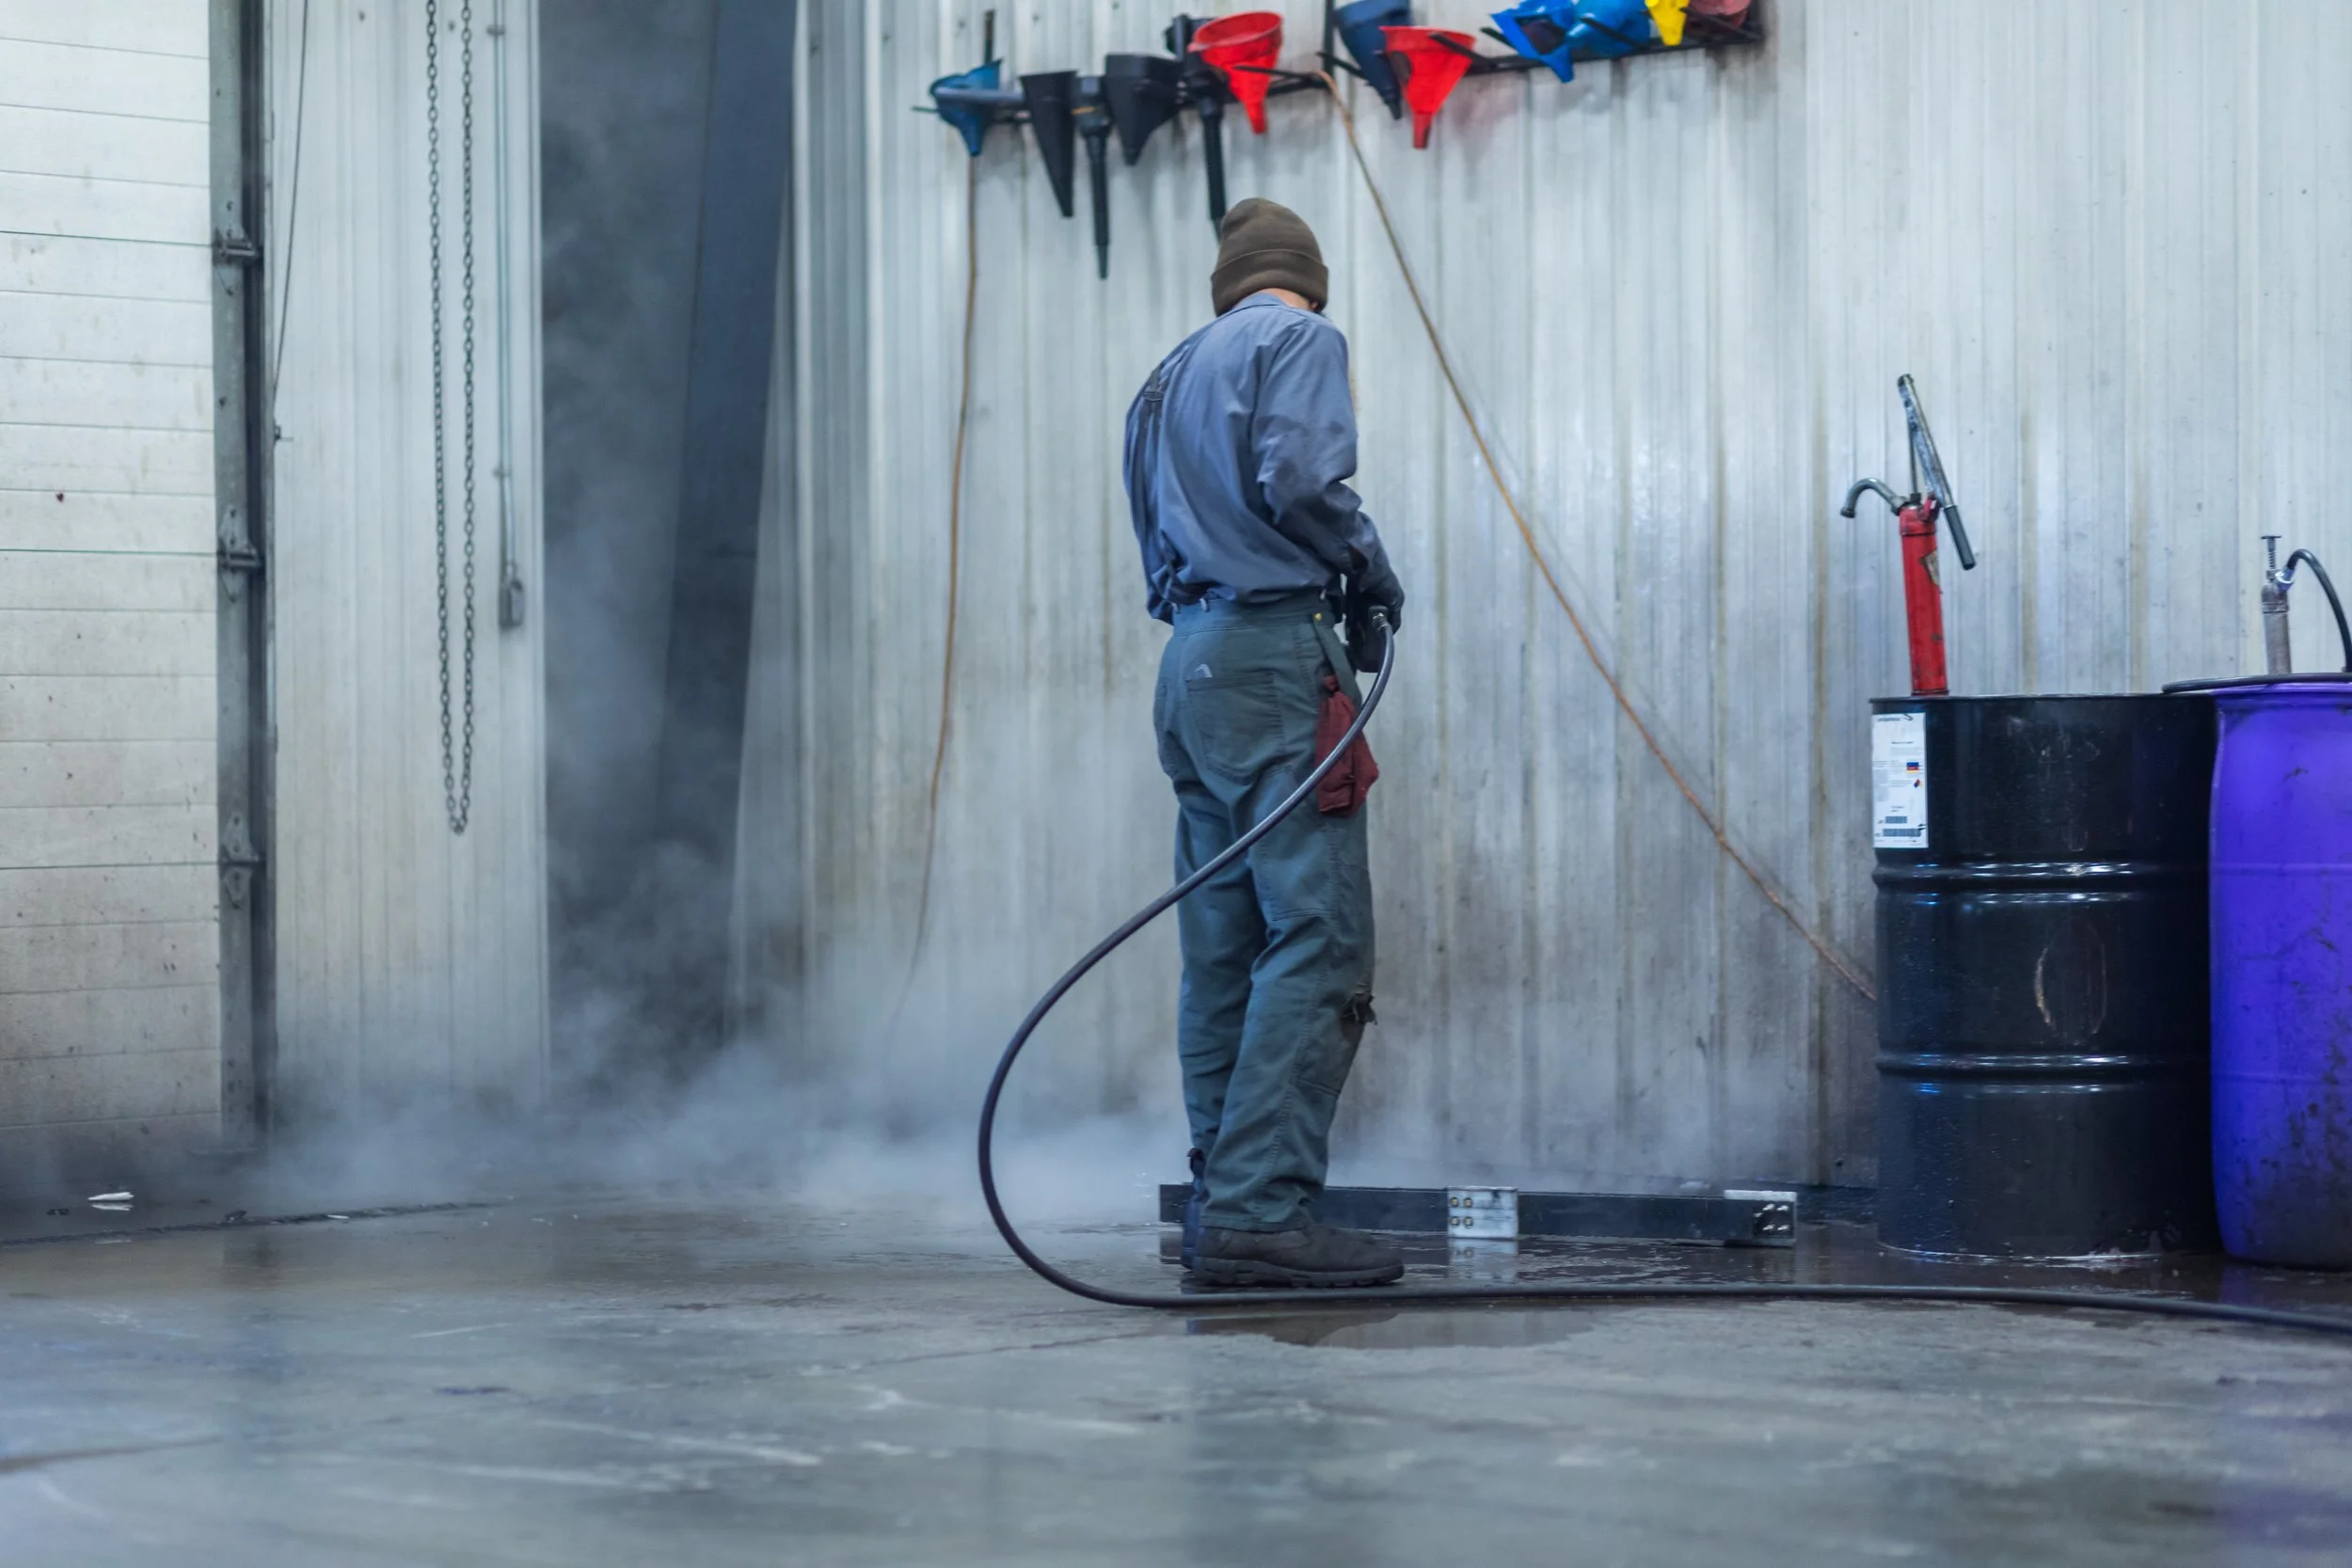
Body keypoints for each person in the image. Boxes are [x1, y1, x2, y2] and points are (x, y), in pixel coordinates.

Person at [1122, 198, 1408, 1289]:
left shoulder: (1162, 378)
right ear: (1308, 279)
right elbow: (1297, 481)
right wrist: (1367, 566)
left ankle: (1217, 1196)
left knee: (1223, 942)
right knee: (1320, 936)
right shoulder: (1299, 338)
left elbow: (1156, 544)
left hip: (1189, 667)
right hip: (1272, 659)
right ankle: (1260, 1210)